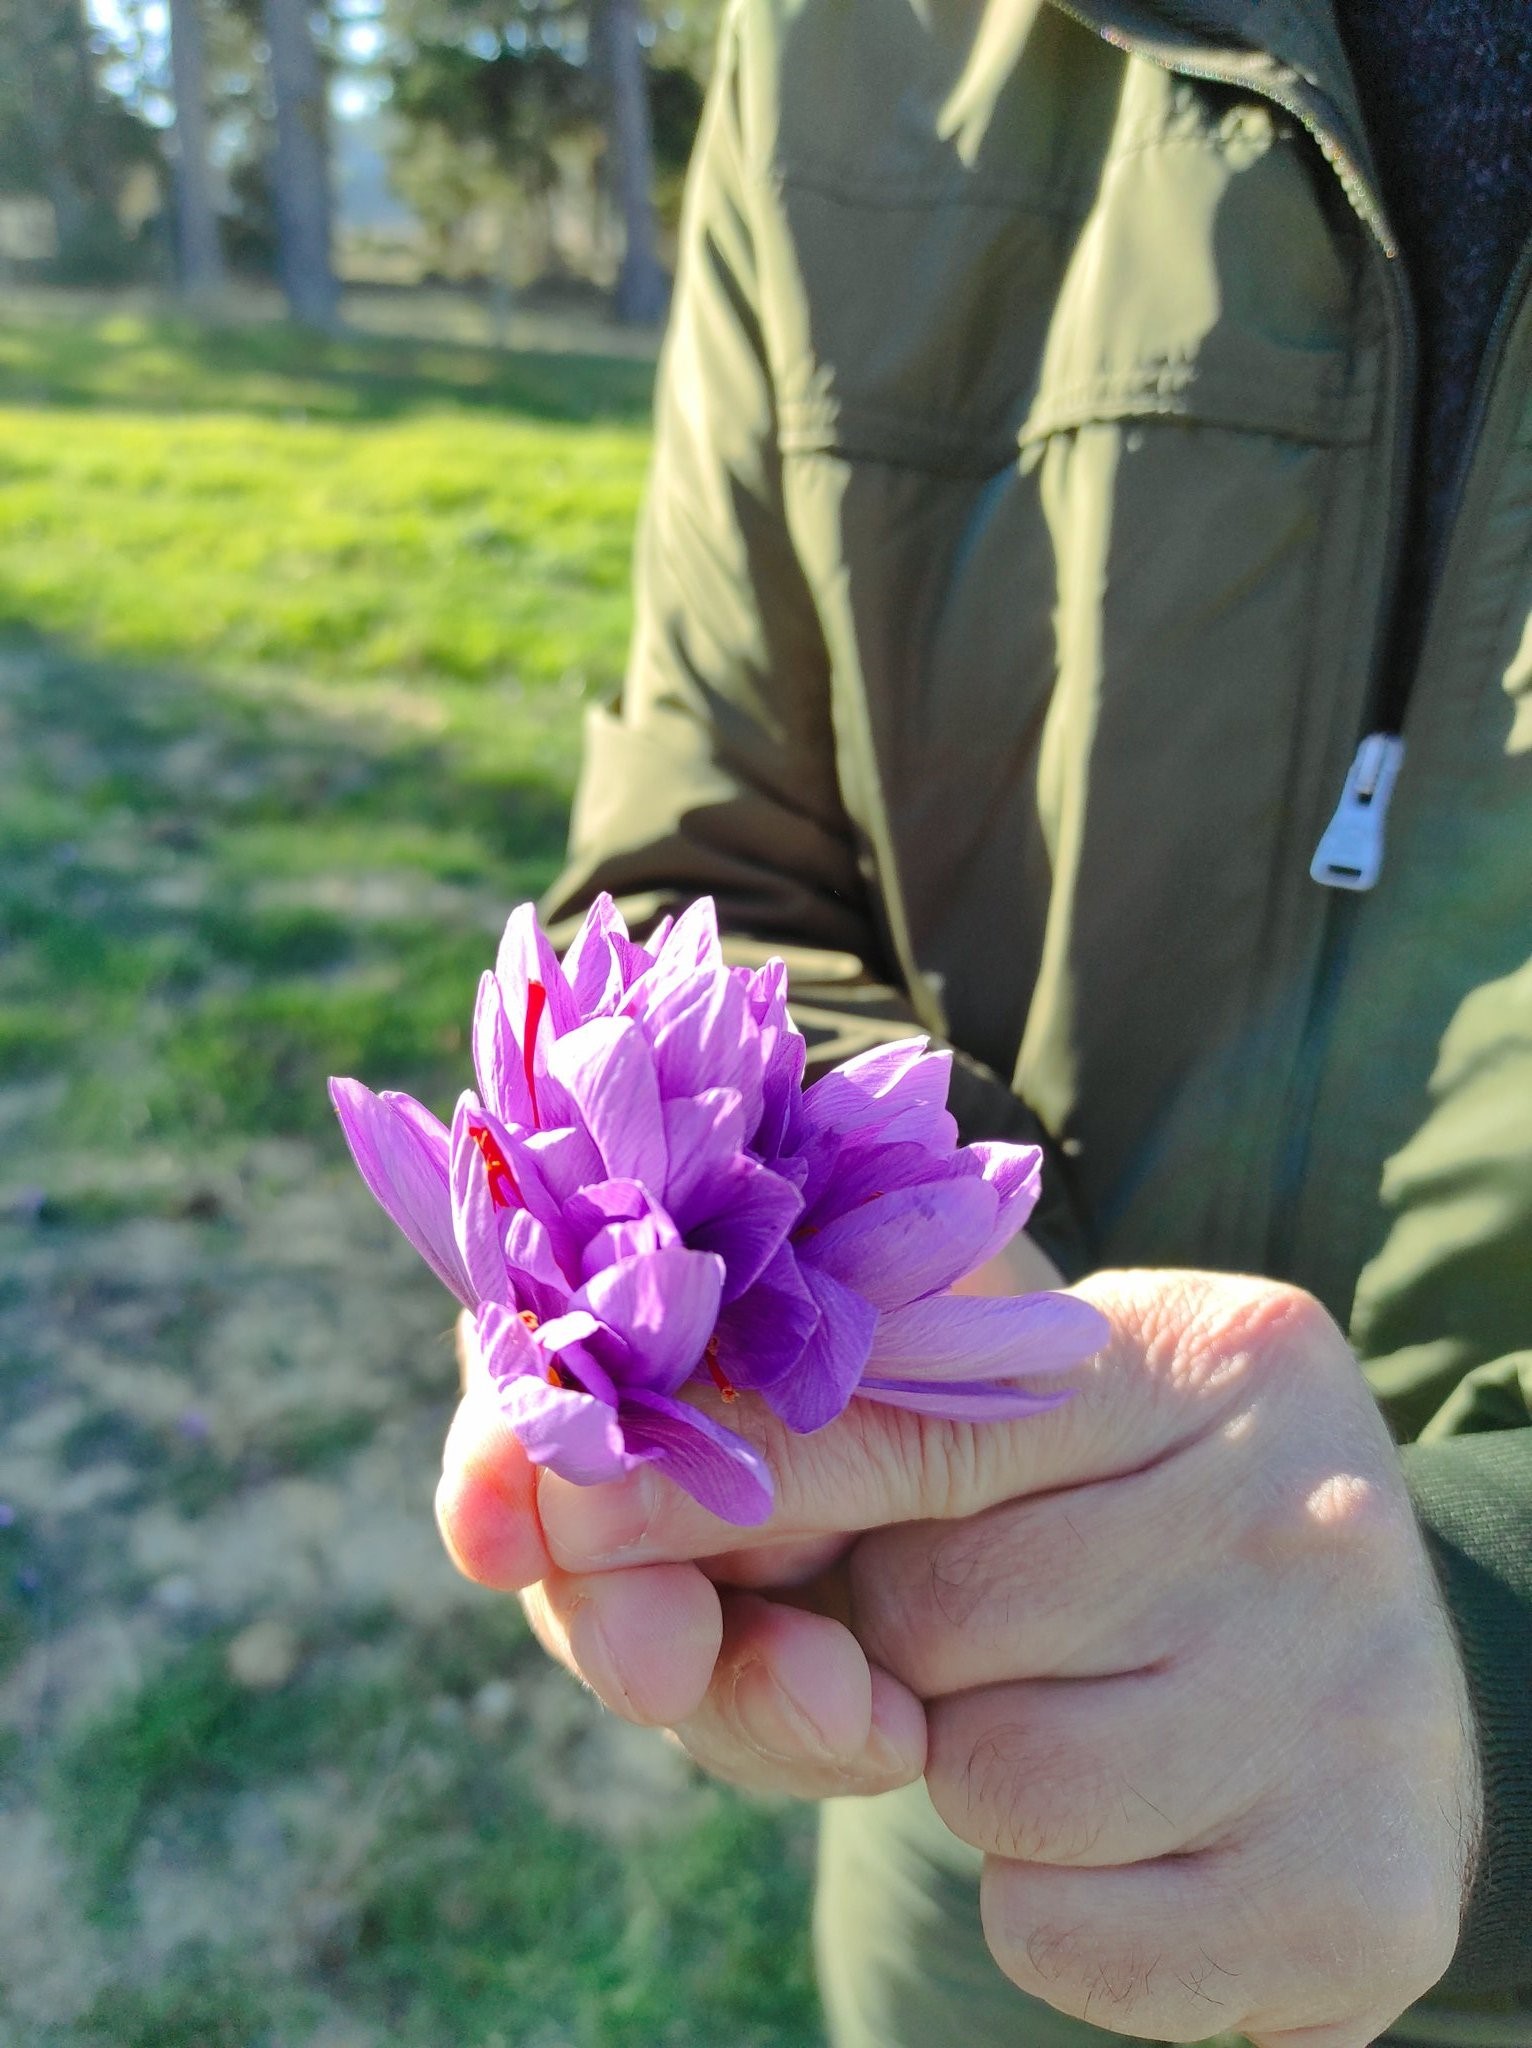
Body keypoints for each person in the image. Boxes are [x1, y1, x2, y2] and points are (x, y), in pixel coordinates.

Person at [435, 1, 1532, 2042]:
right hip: (972, 1784)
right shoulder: (848, 40)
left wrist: (1493, 1648)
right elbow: (707, 861)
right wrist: (862, 1266)